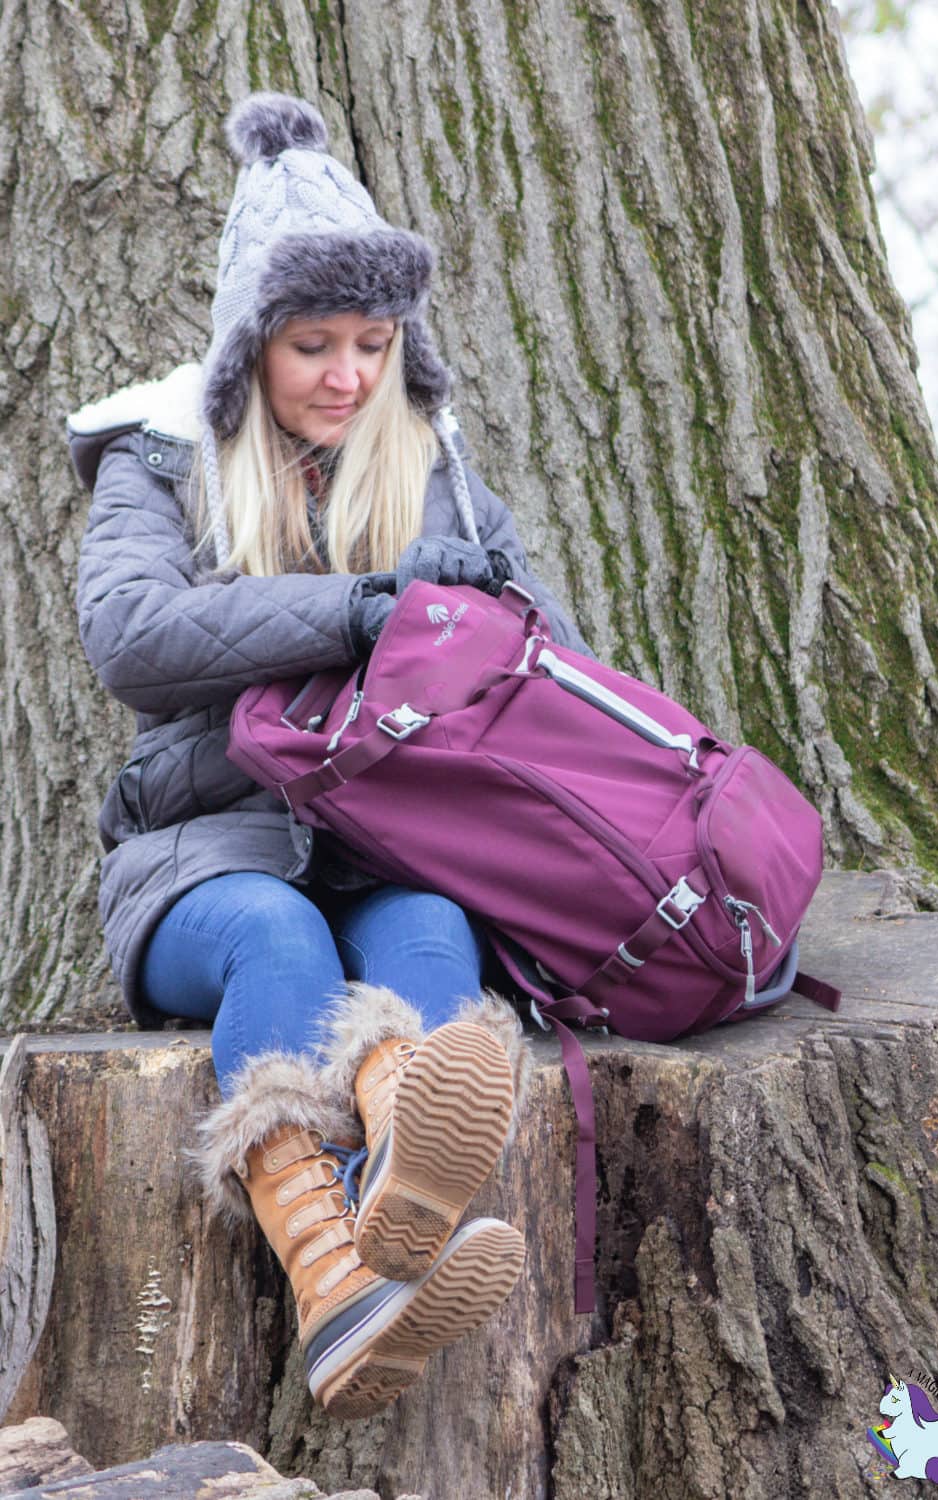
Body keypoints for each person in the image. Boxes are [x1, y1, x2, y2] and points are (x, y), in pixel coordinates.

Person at [69, 93, 593, 1420]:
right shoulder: (161, 461)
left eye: (373, 343)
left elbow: (555, 669)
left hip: (388, 846)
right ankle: (331, 1282)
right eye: (314, 344)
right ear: (253, 348)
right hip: (205, 859)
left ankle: (380, 1253)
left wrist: (478, 612)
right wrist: (362, 608)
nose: (348, 377)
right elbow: (131, 636)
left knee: (429, 941)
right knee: (280, 946)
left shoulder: (444, 479)